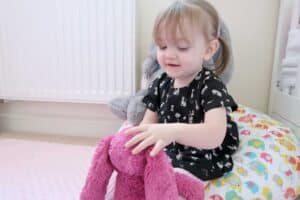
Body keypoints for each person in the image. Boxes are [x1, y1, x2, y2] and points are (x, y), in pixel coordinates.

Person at [125, 0, 239, 181]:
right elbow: (147, 124)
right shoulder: (160, 83)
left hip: (201, 149)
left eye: (182, 47)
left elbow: (215, 135)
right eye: (162, 46)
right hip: (169, 144)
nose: (169, 54)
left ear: (208, 49)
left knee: (176, 178)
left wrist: (174, 131)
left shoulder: (211, 86)